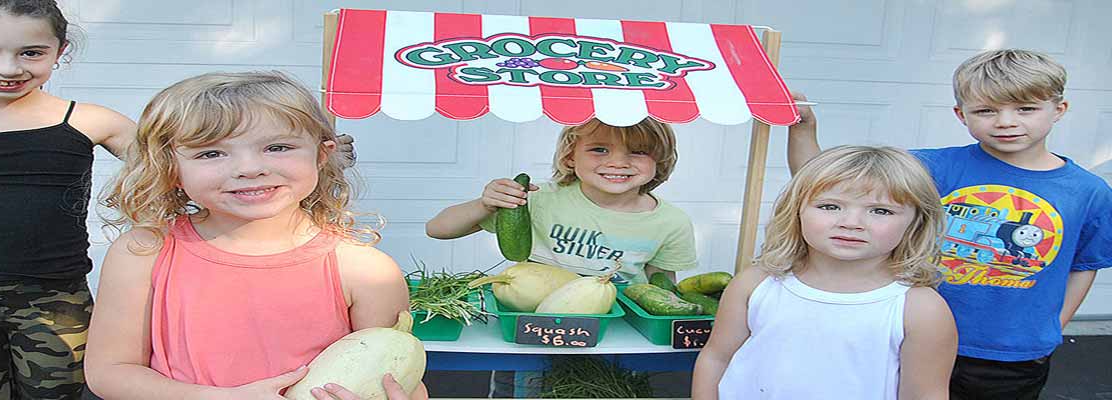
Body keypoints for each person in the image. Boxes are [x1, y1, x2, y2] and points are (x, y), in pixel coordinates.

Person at [787, 49, 1112, 400]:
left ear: (1059, 109)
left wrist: (1053, 325)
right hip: (907, 334)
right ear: (961, 114)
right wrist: (803, 131)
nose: (1006, 121)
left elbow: (1083, 265)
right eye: (986, 110)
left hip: (1007, 356)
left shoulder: (1088, 191)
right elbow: (824, 187)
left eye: (1026, 109)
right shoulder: (930, 167)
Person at [83, 71, 424, 400]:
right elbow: (111, 371)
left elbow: (401, 374)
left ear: (322, 155)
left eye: (277, 147)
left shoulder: (366, 271)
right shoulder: (143, 253)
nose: (249, 168)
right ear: (170, 168)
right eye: (211, 153)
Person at [0, 1, 137, 398]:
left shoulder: (92, 121)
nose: (8, 68)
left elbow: (183, 171)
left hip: (56, 298)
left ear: (60, 50)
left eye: (31, 52)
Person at [692, 145, 957, 400]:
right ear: (796, 210)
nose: (851, 223)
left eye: (880, 211)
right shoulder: (755, 284)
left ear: (916, 223)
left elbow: (925, 394)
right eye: (830, 206)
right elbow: (716, 358)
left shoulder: (921, 309)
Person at [425, 117, 697, 285]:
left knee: (614, 381)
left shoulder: (671, 223)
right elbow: (437, 229)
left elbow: (661, 287)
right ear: (570, 157)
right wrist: (484, 205)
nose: (617, 162)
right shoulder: (537, 199)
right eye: (599, 149)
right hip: (533, 319)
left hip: (615, 329)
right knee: (528, 380)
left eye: (638, 152)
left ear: (659, 160)